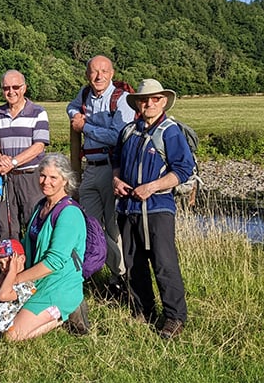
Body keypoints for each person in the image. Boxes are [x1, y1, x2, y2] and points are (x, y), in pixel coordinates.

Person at [112, 79, 195, 340]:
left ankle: (174, 317)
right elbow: (115, 161)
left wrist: (152, 187)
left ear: (162, 101)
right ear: (137, 102)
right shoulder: (128, 131)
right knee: (134, 263)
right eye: (144, 99)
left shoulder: (170, 132)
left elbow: (183, 170)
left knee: (164, 264)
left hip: (158, 208)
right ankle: (142, 310)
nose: (148, 103)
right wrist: (115, 180)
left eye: (154, 99)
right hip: (128, 208)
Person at [66, 55, 135, 294]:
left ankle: (120, 278)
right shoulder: (85, 95)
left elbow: (118, 136)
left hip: (111, 169)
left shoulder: (121, 99)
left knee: (112, 228)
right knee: (89, 226)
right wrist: (75, 115)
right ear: (87, 74)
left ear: (112, 73)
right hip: (90, 169)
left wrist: (85, 127)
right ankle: (90, 271)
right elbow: (71, 107)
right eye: (94, 71)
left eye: (104, 71)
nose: (99, 76)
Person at [6, 153, 87, 341]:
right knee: (1, 321)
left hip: (59, 285)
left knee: (12, 335)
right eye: (42, 175)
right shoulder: (40, 206)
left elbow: (54, 262)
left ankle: (61, 317)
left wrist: (16, 279)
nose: (45, 182)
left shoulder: (69, 213)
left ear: (65, 180)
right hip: (37, 281)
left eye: (53, 177)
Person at [0, 69, 49, 240]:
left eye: (15, 87)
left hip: (30, 176)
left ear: (24, 88)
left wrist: (12, 162)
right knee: (6, 226)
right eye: (6, 88)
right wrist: (0, 158)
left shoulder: (38, 112)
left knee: (33, 224)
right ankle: (10, 263)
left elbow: (39, 146)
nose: (11, 91)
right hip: (5, 179)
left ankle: (33, 265)